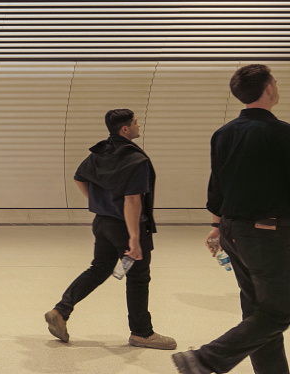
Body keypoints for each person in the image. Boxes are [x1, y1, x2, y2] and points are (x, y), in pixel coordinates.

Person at [173, 65, 287, 374]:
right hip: (267, 233)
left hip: (231, 231)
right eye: (274, 82)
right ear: (267, 90)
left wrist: (215, 227)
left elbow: (217, 184)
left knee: (257, 312)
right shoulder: (282, 134)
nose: (276, 87)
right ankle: (205, 359)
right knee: (278, 311)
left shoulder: (223, 134)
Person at [45, 109, 176, 350]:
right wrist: (135, 238)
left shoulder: (99, 152)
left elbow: (78, 178)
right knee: (137, 278)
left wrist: (98, 203)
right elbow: (132, 201)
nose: (139, 125)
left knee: (99, 268)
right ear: (125, 129)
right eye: (136, 122)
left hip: (103, 222)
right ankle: (142, 333)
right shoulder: (136, 160)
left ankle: (61, 310)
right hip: (127, 226)